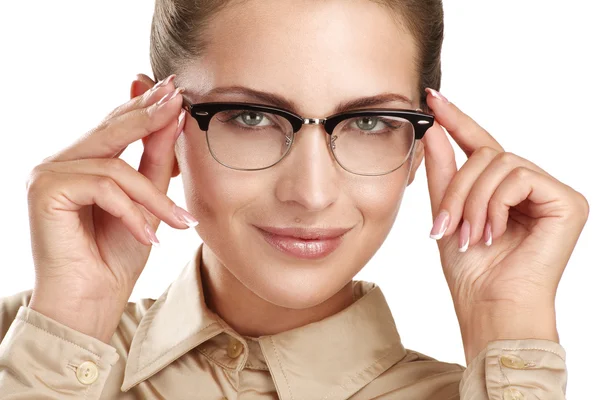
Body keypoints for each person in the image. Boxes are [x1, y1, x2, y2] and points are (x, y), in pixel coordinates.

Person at [0, 0, 590, 399]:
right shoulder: (23, 349)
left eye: (368, 122)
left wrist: (507, 321)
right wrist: (70, 325)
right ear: (159, 123)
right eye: (250, 116)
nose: (310, 194)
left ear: (419, 145)